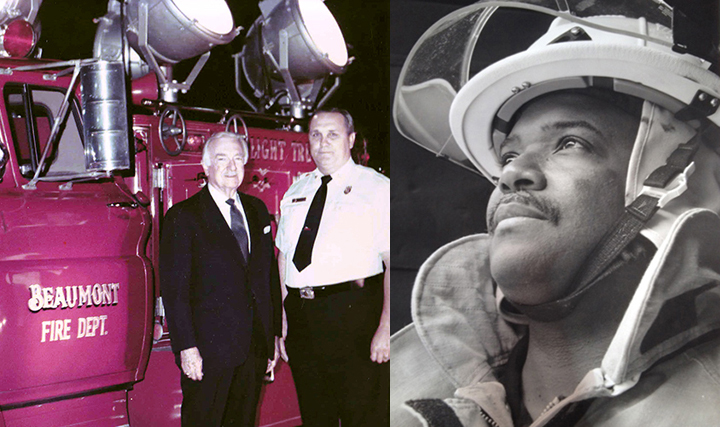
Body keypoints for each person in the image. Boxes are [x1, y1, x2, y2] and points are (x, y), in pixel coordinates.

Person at [391, 1, 720, 426]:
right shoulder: (404, 382)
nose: (511, 174)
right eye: (509, 154)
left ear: (678, 185)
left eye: (570, 143)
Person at [275, 108, 390, 426]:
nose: (323, 143)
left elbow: (395, 262)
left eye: (333, 134)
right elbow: (284, 256)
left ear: (351, 140)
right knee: (315, 414)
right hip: (302, 317)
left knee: (363, 414)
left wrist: (386, 327)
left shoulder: (378, 188)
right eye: (315, 134)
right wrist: (282, 316)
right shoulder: (296, 192)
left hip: (354, 313)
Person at [160, 131, 281, 427]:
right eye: (222, 159)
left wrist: (272, 337)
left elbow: (268, 278)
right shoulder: (183, 217)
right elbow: (175, 291)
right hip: (207, 353)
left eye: (238, 159)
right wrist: (186, 348)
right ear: (205, 165)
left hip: (252, 350)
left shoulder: (257, 211)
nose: (231, 167)